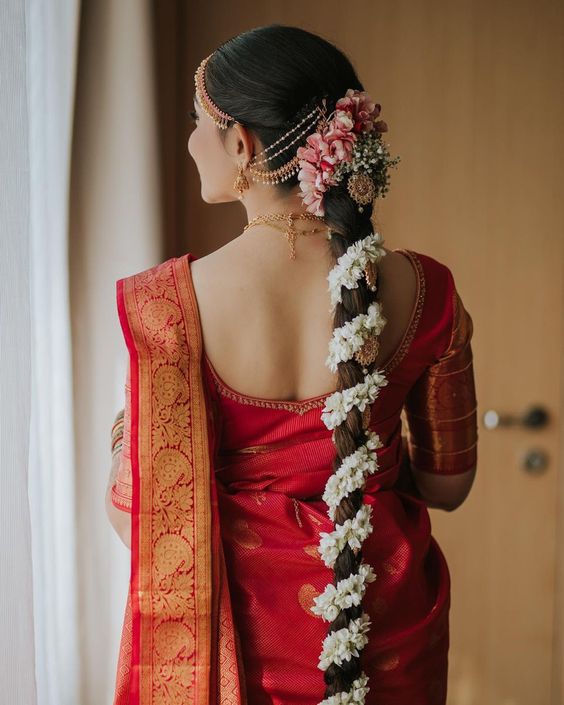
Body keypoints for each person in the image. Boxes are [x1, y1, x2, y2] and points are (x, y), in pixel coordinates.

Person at [105, 24, 478, 705]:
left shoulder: (171, 305)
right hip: (383, 622)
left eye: (199, 122)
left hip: (243, 639)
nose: (191, 141)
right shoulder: (427, 291)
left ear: (242, 145)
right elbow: (447, 485)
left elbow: (136, 510)